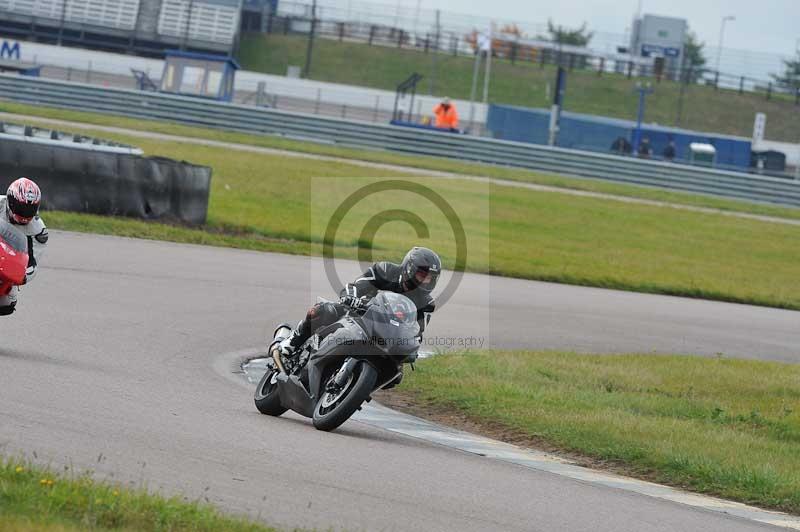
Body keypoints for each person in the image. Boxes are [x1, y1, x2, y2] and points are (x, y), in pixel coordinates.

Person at [278, 246, 441, 358]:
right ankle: (293, 341)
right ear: (409, 268)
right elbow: (358, 285)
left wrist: (412, 346)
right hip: (358, 315)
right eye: (422, 275)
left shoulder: (427, 304)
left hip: (386, 333)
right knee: (321, 310)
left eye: (429, 278)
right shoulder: (386, 271)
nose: (425, 281)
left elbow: (417, 331)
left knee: (396, 375)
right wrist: (351, 297)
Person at [0, 178, 48, 316]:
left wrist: (20, 276)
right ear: (10, 201)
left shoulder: (38, 231)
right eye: (21, 208)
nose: (24, 214)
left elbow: (32, 264)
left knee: (7, 303)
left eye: (29, 209)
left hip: (6, 268)